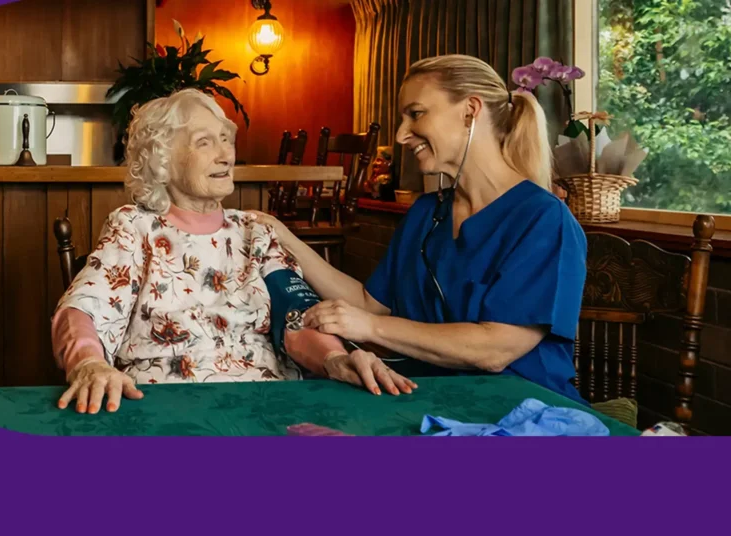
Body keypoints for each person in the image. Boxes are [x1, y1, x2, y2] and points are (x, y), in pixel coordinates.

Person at [51, 88, 416, 415]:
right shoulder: (135, 227)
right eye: (205, 142)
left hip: (266, 403)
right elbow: (85, 307)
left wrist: (335, 357)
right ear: (162, 161)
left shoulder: (256, 231)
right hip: (163, 406)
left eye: (226, 140)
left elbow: (297, 316)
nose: (226, 154)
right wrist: (88, 363)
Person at [250, 54, 589, 403]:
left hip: (521, 411)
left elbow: (496, 348)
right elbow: (371, 303)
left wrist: (370, 328)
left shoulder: (543, 219)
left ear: (470, 110)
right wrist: (283, 235)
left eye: (416, 114)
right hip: (427, 400)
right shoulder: (427, 212)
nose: (400, 135)